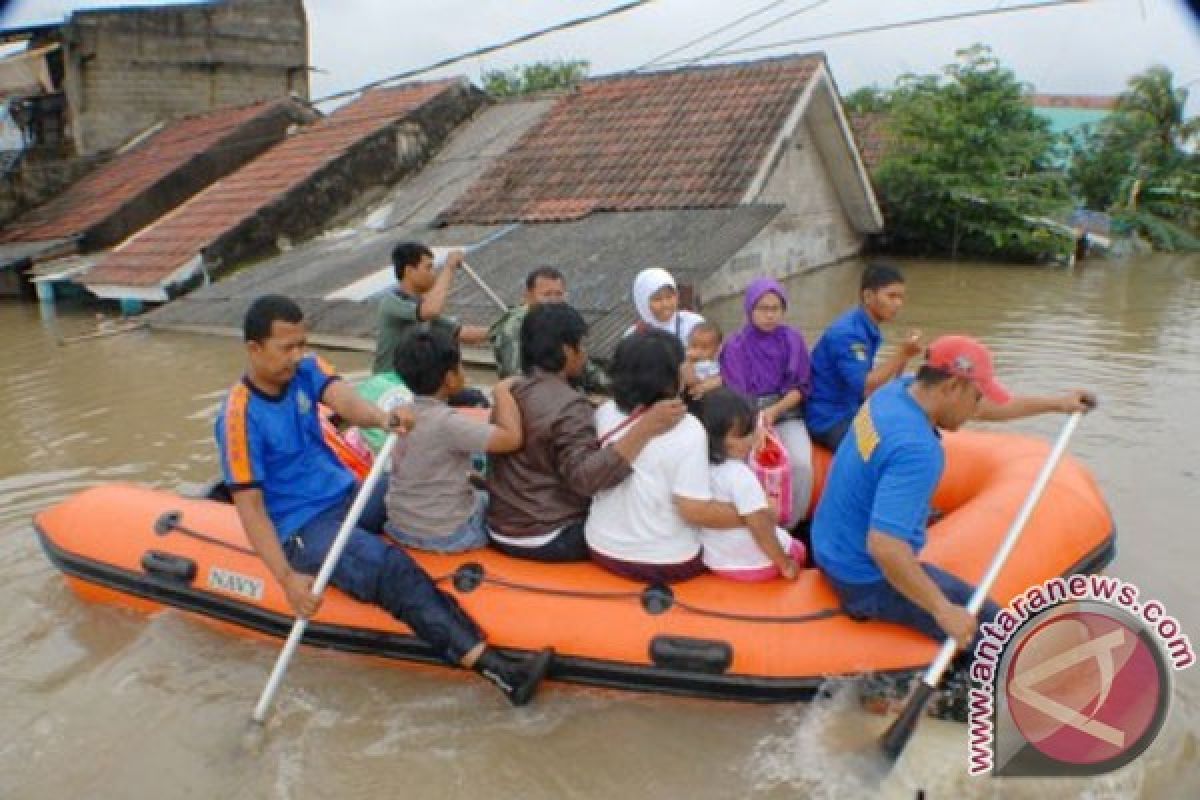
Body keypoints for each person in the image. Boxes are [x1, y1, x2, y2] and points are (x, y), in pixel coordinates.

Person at [216, 295, 552, 706]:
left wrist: (383, 419)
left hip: (347, 493)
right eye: (287, 347)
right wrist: (286, 578)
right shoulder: (237, 416)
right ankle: (498, 671)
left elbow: (344, 400)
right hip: (303, 526)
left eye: (301, 343)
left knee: (413, 483)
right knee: (391, 570)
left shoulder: (305, 367)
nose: (298, 355)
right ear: (254, 348)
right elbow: (249, 507)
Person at [811, 334, 1094, 656]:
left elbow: (984, 410)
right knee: (997, 635)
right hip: (863, 577)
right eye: (975, 396)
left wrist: (1056, 404)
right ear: (951, 388)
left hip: (829, 543)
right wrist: (943, 610)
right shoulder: (917, 449)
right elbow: (886, 547)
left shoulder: (897, 391)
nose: (976, 406)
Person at [486, 304, 685, 561]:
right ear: (567, 350)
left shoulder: (511, 393)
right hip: (549, 536)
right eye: (582, 345)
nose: (585, 354)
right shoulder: (570, 406)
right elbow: (585, 480)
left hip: (500, 528)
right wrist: (645, 428)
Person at [586, 331, 743, 583]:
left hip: (601, 546)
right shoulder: (688, 428)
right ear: (668, 378)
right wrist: (754, 513)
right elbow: (695, 511)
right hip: (666, 561)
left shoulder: (605, 412)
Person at [384, 328, 523, 553]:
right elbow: (511, 439)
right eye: (461, 366)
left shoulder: (401, 414)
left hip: (400, 525)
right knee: (501, 504)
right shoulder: (449, 422)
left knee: (475, 489)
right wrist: (502, 391)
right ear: (449, 379)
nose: (463, 371)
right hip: (446, 534)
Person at [718, 278, 815, 528]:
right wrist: (756, 424)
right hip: (746, 414)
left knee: (802, 465)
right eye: (763, 308)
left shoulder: (793, 340)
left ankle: (791, 526)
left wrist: (775, 411)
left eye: (776, 309)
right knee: (742, 464)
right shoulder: (735, 346)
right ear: (750, 309)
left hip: (785, 412)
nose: (770, 315)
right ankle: (747, 523)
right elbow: (736, 393)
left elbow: (800, 388)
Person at [806, 263, 923, 451]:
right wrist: (902, 352)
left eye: (901, 297)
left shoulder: (866, 327)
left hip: (850, 407)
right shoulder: (848, 333)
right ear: (868, 296)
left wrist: (904, 356)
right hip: (829, 418)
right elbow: (866, 385)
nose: (898, 304)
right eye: (891, 296)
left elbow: (873, 386)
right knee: (881, 452)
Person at [694, 388, 804, 581]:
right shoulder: (739, 475)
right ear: (717, 440)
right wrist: (785, 565)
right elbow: (759, 524)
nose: (751, 439)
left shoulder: (696, 467)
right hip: (754, 566)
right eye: (742, 435)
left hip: (716, 561)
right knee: (799, 549)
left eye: (751, 431)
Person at [372, 240, 489, 377]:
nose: (433, 274)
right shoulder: (392, 301)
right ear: (409, 271)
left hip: (413, 381)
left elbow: (463, 333)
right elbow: (431, 310)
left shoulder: (420, 304)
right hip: (390, 382)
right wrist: (449, 268)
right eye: (428, 268)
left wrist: (507, 325)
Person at [488, 265, 610, 392]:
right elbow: (515, 377)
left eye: (559, 294)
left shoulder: (563, 319)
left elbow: (585, 367)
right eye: (546, 295)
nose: (553, 300)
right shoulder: (513, 326)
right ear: (528, 296)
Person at [625, 267, 706, 345]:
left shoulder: (694, 324)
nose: (665, 304)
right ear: (643, 303)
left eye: (669, 297)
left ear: (677, 295)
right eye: (657, 299)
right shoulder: (633, 337)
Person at [683, 321, 724, 402]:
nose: (698, 351)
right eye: (694, 345)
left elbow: (723, 378)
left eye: (704, 348)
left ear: (717, 348)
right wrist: (689, 362)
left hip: (714, 396)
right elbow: (689, 380)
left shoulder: (718, 362)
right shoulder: (688, 361)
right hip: (692, 394)